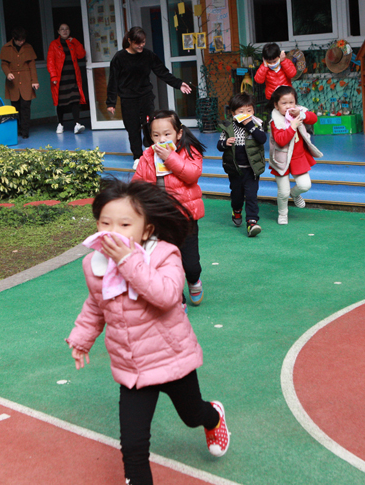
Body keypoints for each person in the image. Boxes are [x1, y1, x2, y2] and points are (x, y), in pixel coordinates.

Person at [66, 178, 230, 485]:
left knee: (192, 415)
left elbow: (166, 296)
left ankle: (213, 416)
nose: (113, 232)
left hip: (172, 359)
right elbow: (96, 304)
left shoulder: (164, 255)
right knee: (133, 446)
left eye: (125, 224)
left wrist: (127, 262)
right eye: (105, 223)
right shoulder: (95, 264)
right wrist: (82, 339)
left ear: (146, 230)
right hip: (132, 367)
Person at [133, 110, 205, 306]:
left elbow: (192, 175)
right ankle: (177, 300)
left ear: (178, 133)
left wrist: (170, 157)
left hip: (185, 218)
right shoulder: (148, 156)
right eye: (156, 135)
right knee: (166, 263)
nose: (161, 140)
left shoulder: (189, 151)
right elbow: (137, 184)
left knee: (190, 264)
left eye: (167, 134)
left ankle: (194, 279)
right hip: (159, 219)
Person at [106, 27, 192, 168]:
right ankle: (137, 157)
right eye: (137, 43)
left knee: (150, 125)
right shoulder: (119, 58)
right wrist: (111, 102)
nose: (141, 45)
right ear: (130, 41)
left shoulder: (148, 55)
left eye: (143, 42)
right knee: (132, 128)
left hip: (146, 96)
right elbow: (113, 81)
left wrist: (178, 83)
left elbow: (162, 72)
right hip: (128, 99)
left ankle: (150, 151)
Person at [268, 85, 323, 225]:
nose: (288, 106)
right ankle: (283, 214)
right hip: (281, 160)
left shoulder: (299, 112)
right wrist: (292, 126)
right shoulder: (275, 122)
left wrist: (302, 114)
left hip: (298, 157)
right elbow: (281, 141)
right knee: (283, 192)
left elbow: (313, 118)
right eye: (283, 103)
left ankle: (294, 194)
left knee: (305, 185)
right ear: (276, 105)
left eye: (291, 102)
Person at [217, 92, 267, 237]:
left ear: (253, 111)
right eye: (241, 111)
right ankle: (237, 210)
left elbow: (262, 139)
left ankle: (252, 222)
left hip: (252, 169)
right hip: (235, 169)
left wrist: (250, 126)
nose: (246, 114)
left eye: (249, 110)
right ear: (233, 113)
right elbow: (219, 145)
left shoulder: (256, 124)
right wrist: (225, 143)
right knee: (237, 195)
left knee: (251, 196)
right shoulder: (228, 127)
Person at [47, 24, 87, 135]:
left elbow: (81, 54)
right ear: (58, 31)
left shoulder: (72, 43)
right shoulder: (54, 44)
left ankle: (77, 124)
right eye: (62, 29)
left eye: (67, 29)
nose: (65, 31)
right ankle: (60, 124)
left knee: (75, 100)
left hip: (73, 77)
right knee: (61, 102)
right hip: (60, 79)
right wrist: (53, 76)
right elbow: (50, 62)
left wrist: (75, 41)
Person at [0, 28, 39, 139]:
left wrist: (34, 81)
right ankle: (18, 130)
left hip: (26, 80)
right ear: (14, 39)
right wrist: (8, 73)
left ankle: (25, 131)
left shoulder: (28, 47)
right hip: (13, 82)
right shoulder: (6, 48)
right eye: (19, 40)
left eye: (23, 40)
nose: (21, 42)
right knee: (15, 107)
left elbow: (32, 66)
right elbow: (4, 64)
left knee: (26, 106)